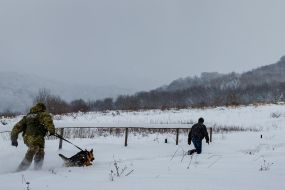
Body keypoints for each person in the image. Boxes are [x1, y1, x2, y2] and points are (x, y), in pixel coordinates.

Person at [11, 102, 55, 171]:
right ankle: (21, 169)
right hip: (36, 137)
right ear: (43, 108)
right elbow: (48, 121)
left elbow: (17, 127)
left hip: (29, 138)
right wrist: (51, 130)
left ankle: (37, 170)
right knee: (35, 148)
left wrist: (14, 138)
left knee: (40, 151)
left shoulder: (28, 116)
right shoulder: (43, 114)